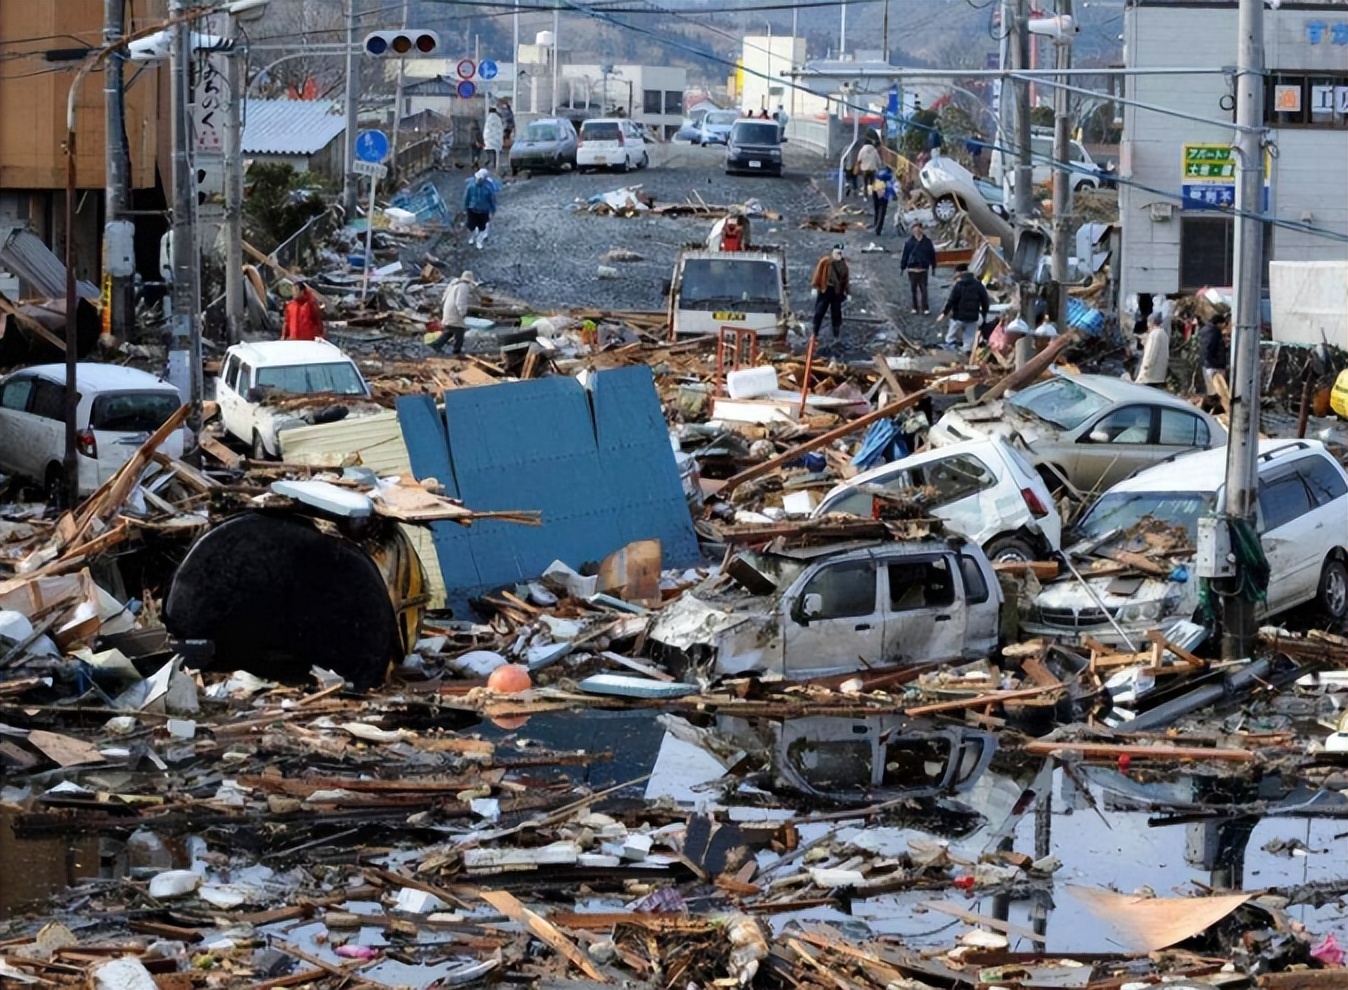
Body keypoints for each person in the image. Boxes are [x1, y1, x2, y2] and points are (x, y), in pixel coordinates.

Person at [940, 263, 989, 352]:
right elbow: (985, 300)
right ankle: (966, 353)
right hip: (972, 317)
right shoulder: (978, 285)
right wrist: (984, 313)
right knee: (969, 338)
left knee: (950, 336)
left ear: (959, 273)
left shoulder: (958, 285)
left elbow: (951, 300)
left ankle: (950, 351)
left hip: (958, 316)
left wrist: (944, 312)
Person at [430, 270, 481, 355]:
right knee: (460, 331)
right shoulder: (463, 287)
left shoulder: (456, 285)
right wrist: (463, 313)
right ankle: (457, 351)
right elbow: (460, 302)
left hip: (449, 310)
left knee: (450, 330)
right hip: (454, 312)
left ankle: (436, 345)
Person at [810, 244, 849, 345]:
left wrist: (847, 292)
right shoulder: (825, 261)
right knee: (819, 311)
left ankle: (836, 335)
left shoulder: (844, 265)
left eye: (840, 253)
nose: (838, 255)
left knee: (836, 313)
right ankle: (814, 334)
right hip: (825, 289)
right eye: (837, 252)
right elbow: (818, 273)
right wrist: (815, 286)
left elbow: (845, 279)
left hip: (836, 291)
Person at [899, 222, 937, 314]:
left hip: (923, 268)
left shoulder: (927, 242)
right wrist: (903, 267)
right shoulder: (909, 243)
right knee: (913, 289)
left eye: (918, 228)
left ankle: (925, 307)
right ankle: (915, 307)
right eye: (915, 229)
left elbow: (932, 255)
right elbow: (905, 255)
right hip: (912, 269)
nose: (917, 230)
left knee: (924, 289)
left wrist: (933, 266)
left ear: (921, 230)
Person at [464, 168, 498, 250]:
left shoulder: (488, 188)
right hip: (472, 209)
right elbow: (467, 197)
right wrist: (466, 207)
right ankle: (472, 238)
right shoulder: (470, 186)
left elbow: (492, 200)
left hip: (483, 210)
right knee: (471, 226)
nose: (478, 180)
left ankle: (479, 241)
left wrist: (493, 210)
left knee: (482, 227)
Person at [1134, 311, 1170, 387]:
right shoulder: (1164, 334)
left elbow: (1150, 354)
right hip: (1159, 375)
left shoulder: (1154, 334)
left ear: (1151, 322)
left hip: (1150, 375)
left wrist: (1145, 367)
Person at [1198, 311, 1229, 395]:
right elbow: (1208, 349)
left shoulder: (1206, 330)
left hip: (1208, 365)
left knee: (1212, 392)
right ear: (1219, 323)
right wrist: (1214, 362)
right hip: (1214, 367)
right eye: (1224, 324)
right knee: (1217, 392)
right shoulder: (1213, 332)